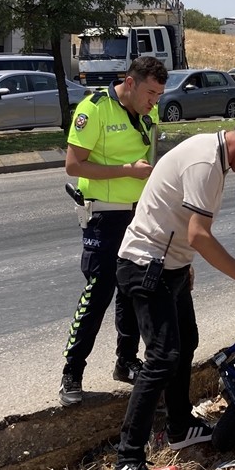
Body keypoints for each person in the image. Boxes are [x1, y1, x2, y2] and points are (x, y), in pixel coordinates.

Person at [109, 114, 235, 470]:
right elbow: (200, 234)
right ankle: (127, 460)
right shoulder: (207, 161)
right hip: (146, 267)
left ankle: (179, 428)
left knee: (185, 342)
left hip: (169, 266)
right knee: (161, 358)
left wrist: (183, 263)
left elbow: (176, 217)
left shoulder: (216, 157)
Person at [59, 56, 167, 406]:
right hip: (105, 216)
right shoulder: (95, 108)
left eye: (159, 95)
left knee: (133, 290)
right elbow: (73, 165)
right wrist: (126, 171)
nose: (155, 101)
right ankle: (71, 373)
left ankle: (126, 361)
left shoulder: (148, 114)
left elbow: (151, 163)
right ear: (130, 82)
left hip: (139, 215)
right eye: (150, 92)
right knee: (98, 292)